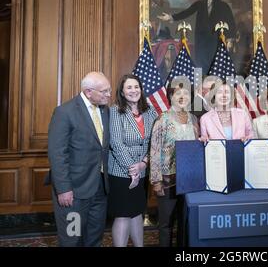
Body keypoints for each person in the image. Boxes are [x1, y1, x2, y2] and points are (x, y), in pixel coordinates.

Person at [47, 72, 111, 247]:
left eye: (109, 90)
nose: (109, 95)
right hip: (73, 192)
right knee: (72, 238)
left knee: (94, 238)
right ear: (89, 92)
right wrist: (63, 189)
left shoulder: (105, 110)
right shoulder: (64, 112)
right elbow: (57, 154)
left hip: (99, 189)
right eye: (104, 91)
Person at [108, 74, 157, 247]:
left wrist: (143, 163)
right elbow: (115, 143)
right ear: (122, 91)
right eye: (129, 87)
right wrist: (132, 168)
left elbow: (155, 142)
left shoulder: (150, 111)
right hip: (121, 173)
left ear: (141, 90)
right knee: (123, 214)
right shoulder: (115, 111)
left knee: (137, 213)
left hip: (142, 170)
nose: (133, 90)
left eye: (136, 87)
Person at [149, 81, 199, 247]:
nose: (182, 97)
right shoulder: (162, 119)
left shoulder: (194, 119)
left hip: (189, 181)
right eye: (178, 94)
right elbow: (154, 150)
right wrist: (156, 181)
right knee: (166, 223)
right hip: (167, 181)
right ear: (171, 96)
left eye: (186, 93)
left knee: (186, 221)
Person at [158, 0, 236, 73]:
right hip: (202, 40)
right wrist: (171, 17)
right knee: (201, 65)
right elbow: (187, 12)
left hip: (216, 40)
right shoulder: (199, 4)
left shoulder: (224, 6)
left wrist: (230, 39)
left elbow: (231, 23)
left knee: (216, 66)